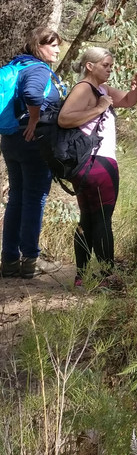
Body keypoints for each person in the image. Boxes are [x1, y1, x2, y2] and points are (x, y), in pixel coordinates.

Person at [59, 47, 137, 286]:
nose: (109, 68)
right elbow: (64, 119)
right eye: (105, 65)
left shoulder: (102, 89)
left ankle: (81, 276)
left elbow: (127, 101)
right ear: (90, 66)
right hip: (96, 163)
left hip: (92, 163)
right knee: (103, 219)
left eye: (110, 65)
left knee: (88, 218)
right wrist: (98, 108)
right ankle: (108, 276)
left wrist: (136, 88)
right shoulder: (84, 89)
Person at [0, 26, 65, 278]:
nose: (57, 50)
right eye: (52, 45)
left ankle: (9, 261)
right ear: (38, 46)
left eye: (58, 45)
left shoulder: (18, 65)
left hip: (11, 140)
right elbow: (31, 93)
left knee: (16, 198)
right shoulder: (38, 69)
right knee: (34, 199)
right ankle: (30, 261)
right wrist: (35, 119)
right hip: (32, 141)